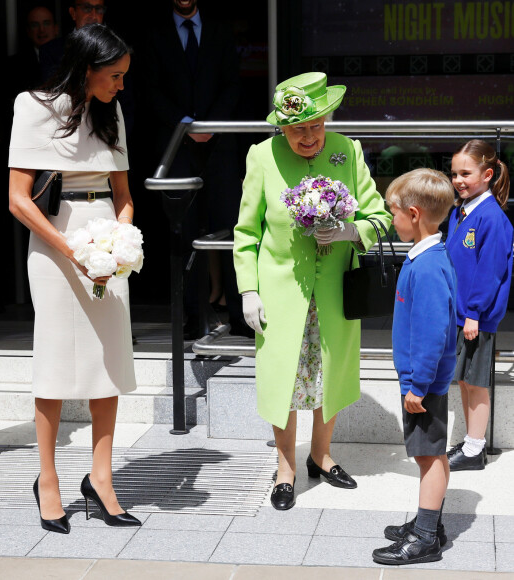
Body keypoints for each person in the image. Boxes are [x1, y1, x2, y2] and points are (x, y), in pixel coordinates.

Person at [233, 72, 391, 510]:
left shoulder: (346, 150)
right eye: (299, 128)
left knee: (331, 374)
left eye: (317, 124)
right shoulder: (262, 156)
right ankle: (285, 468)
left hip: (336, 289)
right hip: (281, 291)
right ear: (281, 128)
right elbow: (246, 232)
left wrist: (347, 230)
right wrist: (249, 289)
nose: (309, 136)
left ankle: (321, 455)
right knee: (283, 379)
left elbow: (380, 217)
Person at [9, 23, 140, 533]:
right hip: (54, 239)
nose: (121, 85)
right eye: (114, 76)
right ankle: (47, 481)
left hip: (106, 239)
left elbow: (125, 194)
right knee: (56, 360)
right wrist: (74, 250)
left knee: (107, 359)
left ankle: (102, 479)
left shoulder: (114, 113)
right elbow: (19, 199)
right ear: (86, 69)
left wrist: (119, 243)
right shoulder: (33, 105)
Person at [140, 0, 248, 338]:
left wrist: (210, 125)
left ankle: (241, 314)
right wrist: (185, 123)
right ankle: (193, 316)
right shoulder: (153, 33)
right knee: (183, 233)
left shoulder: (220, 30)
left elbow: (233, 83)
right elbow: (150, 88)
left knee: (232, 229)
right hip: (175, 145)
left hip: (221, 145)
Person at [373, 168, 456, 565]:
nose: (392, 220)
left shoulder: (427, 267)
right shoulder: (426, 258)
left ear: (414, 213)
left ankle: (425, 538)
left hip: (425, 386)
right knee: (431, 454)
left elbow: (432, 333)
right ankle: (429, 523)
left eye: (393, 213)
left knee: (428, 457)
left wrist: (417, 385)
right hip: (422, 382)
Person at [445, 140, 513, 471]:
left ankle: (474, 449)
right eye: (454, 173)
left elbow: (490, 272)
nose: (458, 180)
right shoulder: (462, 211)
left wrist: (474, 312)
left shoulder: (492, 218)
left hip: (475, 318)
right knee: (464, 379)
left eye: (466, 173)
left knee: (476, 382)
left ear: (487, 174)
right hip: (460, 314)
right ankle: (472, 442)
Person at [39, 0, 134, 139]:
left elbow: (127, 104)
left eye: (99, 9)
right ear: (73, 13)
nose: (93, 14)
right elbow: (52, 96)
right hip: (63, 134)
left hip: (107, 134)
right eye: (87, 8)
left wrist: (115, 138)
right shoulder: (52, 51)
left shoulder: (118, 51)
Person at [10, 5, 59, 98]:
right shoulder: (14, 65)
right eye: (35, 25)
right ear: (28, 31)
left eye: (46, 23)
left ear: (56, 28)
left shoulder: (70, 58)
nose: (41, 30)